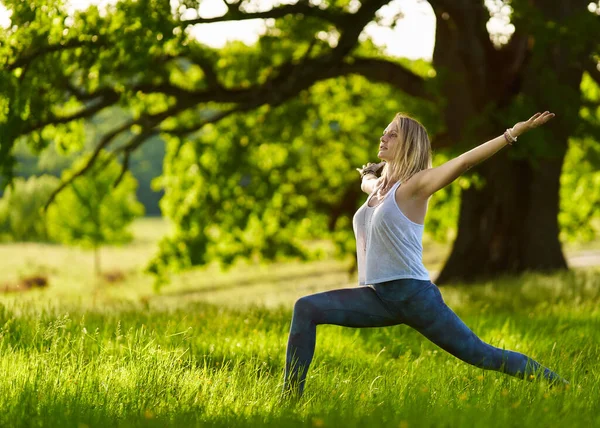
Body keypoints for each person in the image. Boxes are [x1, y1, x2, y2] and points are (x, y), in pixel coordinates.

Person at [282, 111, 568, 398]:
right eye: (385, 132)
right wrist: (368, 173)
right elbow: (366, 182)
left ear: (408, 145)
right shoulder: (377, 189)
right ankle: (290, 398)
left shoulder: (416, 186)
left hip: (414, 296)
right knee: (306, 308)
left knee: (482, 355)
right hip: (377, 296)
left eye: (392, 134)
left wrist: (511, 134)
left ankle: (563, 387)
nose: (384, 137)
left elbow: (463, 161)